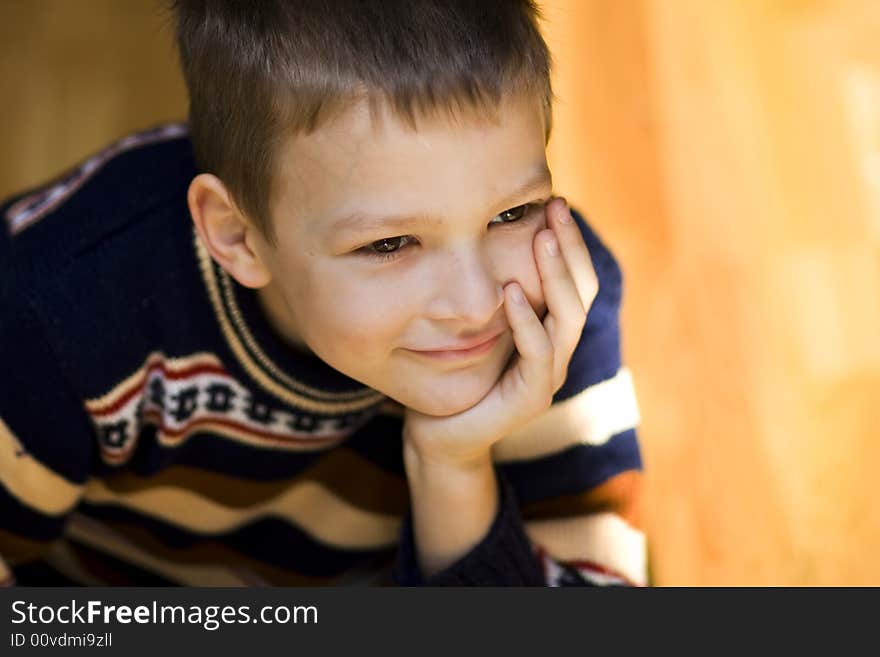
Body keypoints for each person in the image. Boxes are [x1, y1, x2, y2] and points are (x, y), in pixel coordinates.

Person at [0, 0, 644, 586]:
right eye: (390, 245)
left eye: (512, 213)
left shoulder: (554, 311)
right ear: (238, 237)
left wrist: (453, 466)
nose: (477, 306)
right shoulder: (59, 310)